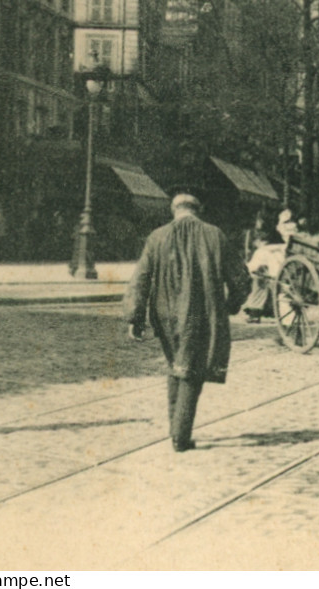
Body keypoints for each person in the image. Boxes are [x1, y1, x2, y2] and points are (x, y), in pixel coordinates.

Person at [123, 194, 250, 452]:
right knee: (191, 371)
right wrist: (231, 305)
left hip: (166, 314)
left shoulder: (157, 237)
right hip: (200, 313)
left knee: (176, 364)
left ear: (174, 211)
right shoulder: (215, 235)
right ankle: (181, 436)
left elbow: (140, 279)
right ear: (198, 210)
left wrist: (135, 317)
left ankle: (176, 429)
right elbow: (240, 279)